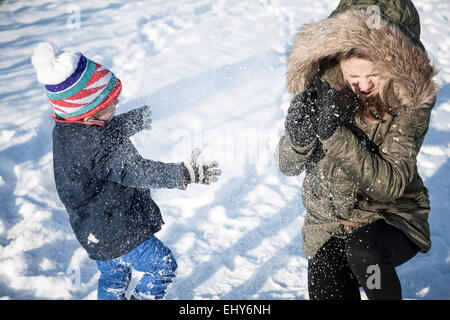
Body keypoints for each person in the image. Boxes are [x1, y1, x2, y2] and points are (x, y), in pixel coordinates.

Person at [31, 42, 221, 300]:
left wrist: (134, 120)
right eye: (110, 102)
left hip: (95, 231)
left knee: (114, 276)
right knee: (162, 267)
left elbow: (102, 132)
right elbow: (135, 170)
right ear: (88, 113)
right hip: (116, 229)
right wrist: (184, 173)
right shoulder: (93, 145)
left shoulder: (70, 128)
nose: (117, 101)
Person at [275, 0, 439, 300]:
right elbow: (286, 166)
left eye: (372, 76)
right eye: (353, 77)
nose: (363, 86)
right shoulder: (322, 87)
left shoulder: (410, 100)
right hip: (329, 225)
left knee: (364, 250)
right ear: (338, 63)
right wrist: (298, 139)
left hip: (391, 217)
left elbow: (389, 185)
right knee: (326, 277)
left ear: (391, 64)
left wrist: (334, 136)